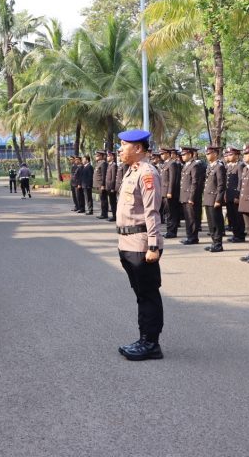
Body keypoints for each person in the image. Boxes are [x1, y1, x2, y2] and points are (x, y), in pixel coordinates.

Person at [115, 129, 164, 361]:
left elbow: (152, 211)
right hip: (127, 242)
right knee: (140, 295)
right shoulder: (131, 172)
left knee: (148, 295)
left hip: (141, 244)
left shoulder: (147, 173)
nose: (120, 149)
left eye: (124, 145)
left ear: (137, 148)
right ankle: (144, 337)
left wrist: (153, 246)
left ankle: (151, 344)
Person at [202, 145, 227, 253]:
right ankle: (214, 242)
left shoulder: (219, 166)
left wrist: (218, 199)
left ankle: (218, 244)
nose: (207, 155)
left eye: (209, 153)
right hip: (208, 197)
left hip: (214, 198)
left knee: (216, 222)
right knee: (211, 222)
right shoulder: (210, 166)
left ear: (215, 154)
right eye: (206, 153)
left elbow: (221, 185)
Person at [179, 147, 204, 245]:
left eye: (184, 154)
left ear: (190, 154)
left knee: (193, 218)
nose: (182, 156)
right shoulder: (186, 165)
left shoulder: (195, 165)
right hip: (185, 195)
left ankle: (193, 237)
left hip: (190, 196)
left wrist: (191, 197)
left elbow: (195, 182)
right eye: (182, 155)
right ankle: (189, 236)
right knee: (188, 218)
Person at [159, 148, 182, 238]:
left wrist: (170, 191)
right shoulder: (165, 164)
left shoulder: (172, 164)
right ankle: (169, 230)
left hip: (169, 193)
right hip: (164, 192)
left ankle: (172, 231)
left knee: (172, 213)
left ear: (168, 154)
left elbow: (172, 179)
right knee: (167, 213)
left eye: (163, 153)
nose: (161, 155)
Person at [225, 147, 246, 242]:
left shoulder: (240, 165)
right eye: (228, 154)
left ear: (237, 156)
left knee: (238, 217)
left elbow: (240, 181)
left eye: (231, 154)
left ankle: (240, 235)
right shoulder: (229, 166)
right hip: (229, 194)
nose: (229, 156)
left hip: (236, 195)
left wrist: (238, 196)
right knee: (231, 216)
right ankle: (235, 234)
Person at [94, 150, 109, 219]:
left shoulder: (103, 163)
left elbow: (104, 175)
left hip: (101, 185)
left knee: (104, 199)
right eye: (96, 155)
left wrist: (103, 185)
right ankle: (103, 213)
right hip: (98, 184)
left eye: (98, 155)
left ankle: (104, 214)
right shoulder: (98, 163)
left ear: (103, 156)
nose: (96, 156)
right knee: (102, 199)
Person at [105, 151, 118, 222]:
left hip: (111, 187)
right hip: (108, 187)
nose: (107, 157)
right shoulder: (109, 165)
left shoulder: (114, 165)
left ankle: (115, 216)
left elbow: (113, 178)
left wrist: (113, 187)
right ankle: (113, 215)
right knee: (111, 202)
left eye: (109, 156)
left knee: (113, 202)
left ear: (112, 157)